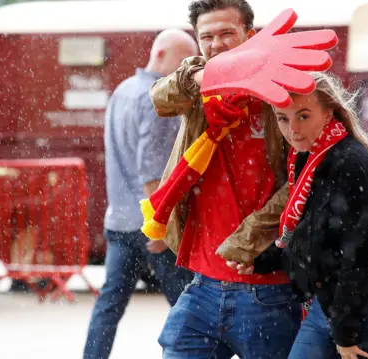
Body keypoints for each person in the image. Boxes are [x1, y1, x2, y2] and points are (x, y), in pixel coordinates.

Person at [149, 1, 302, 358]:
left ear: (250, 35)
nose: (216, 44)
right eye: (207, 37)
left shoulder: (278, 92)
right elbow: (159, 96)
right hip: (203, 283)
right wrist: (205, 77)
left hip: (266, 290)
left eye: (226, 34)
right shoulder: (199, 86)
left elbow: (300, 179)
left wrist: (247, 242)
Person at [228, 72, 368, 359]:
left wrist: (345, 332)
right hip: (328, 307)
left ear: (329, 112)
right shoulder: (309, 157)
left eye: (303, 116)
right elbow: (313, 239)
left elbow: (358, 256)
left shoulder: (350, 163)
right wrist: (262, 262)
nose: (293, 129)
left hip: (366, 311)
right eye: (283, 118)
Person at [83, 29, 198, 359]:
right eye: (181, 63)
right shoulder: (155, 99)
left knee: (109, 305)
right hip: (149, 226)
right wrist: (159, 224)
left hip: (119, 220)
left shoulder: (121, 91)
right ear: (160, 55)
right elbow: (151, 172)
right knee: (188, 303)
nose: (185, 73)